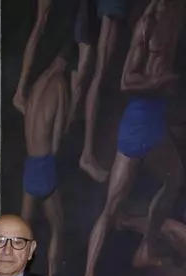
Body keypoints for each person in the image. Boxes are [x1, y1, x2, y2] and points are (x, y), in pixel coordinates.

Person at [79, 0, 184, 276]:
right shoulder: (148, 23)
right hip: (138, 124)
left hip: (156, 123)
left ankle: (146, 248)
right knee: (112, 206)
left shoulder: (177, 11)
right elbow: (127, 80)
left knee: (174, 178)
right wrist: (161, 81)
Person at [20, 41, 72, 276]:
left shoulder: (37, 83)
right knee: (58, 227)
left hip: (30, 162)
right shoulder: (60, 85)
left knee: (23, 229)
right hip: (44, 163)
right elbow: (58, 139)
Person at [80, 0, 132, 182]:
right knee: (100, 73)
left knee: (102, 72)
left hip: (113, 8)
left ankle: (89, 152)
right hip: (111, 7)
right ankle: (87, 154)